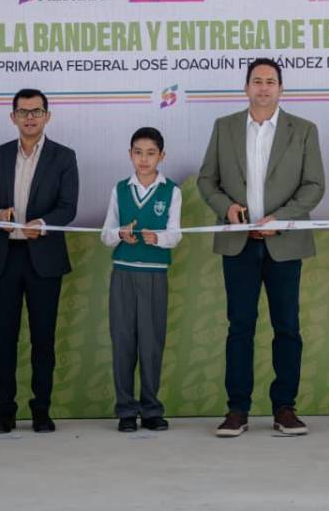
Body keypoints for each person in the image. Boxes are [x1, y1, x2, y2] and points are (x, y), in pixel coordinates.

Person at [197, 57, 325, 437]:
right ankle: (237, 410)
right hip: (239, 244)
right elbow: (207, 180)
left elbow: (314, 185)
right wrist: (227, 209)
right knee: (240, 327)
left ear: (281, 89)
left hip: (284, 243)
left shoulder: (303, 130)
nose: (264, 87)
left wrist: (282, 217)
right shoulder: (225, 128)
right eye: (257, 81)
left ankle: (285, 408)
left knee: (287, 327)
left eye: (271, 81)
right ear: (246, 87)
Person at [0, 88, 78, 435]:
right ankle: (4, 412)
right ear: (12, 117)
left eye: (36, 111)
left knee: (43, 339)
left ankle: (41, 411)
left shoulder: (64, 157)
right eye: (23, 111)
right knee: (4, 340)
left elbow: (67, 207)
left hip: (43, 260)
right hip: (4, 259)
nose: (29, 117)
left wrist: (43, 226)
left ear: (48, 116)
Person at [100, 126, 182, 433]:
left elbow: (175, 235)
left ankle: (150, 409)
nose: (144, 159)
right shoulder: (120, 189)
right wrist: (120, 233)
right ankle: (125, 410)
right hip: (123, 273)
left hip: (154, 276)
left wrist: (155, 237)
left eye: (151, 153)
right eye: (138, 152)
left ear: (161, 156)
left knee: (151, 343)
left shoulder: (171, 190)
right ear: (130, 155)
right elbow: (106, 235)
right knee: (123, 341)